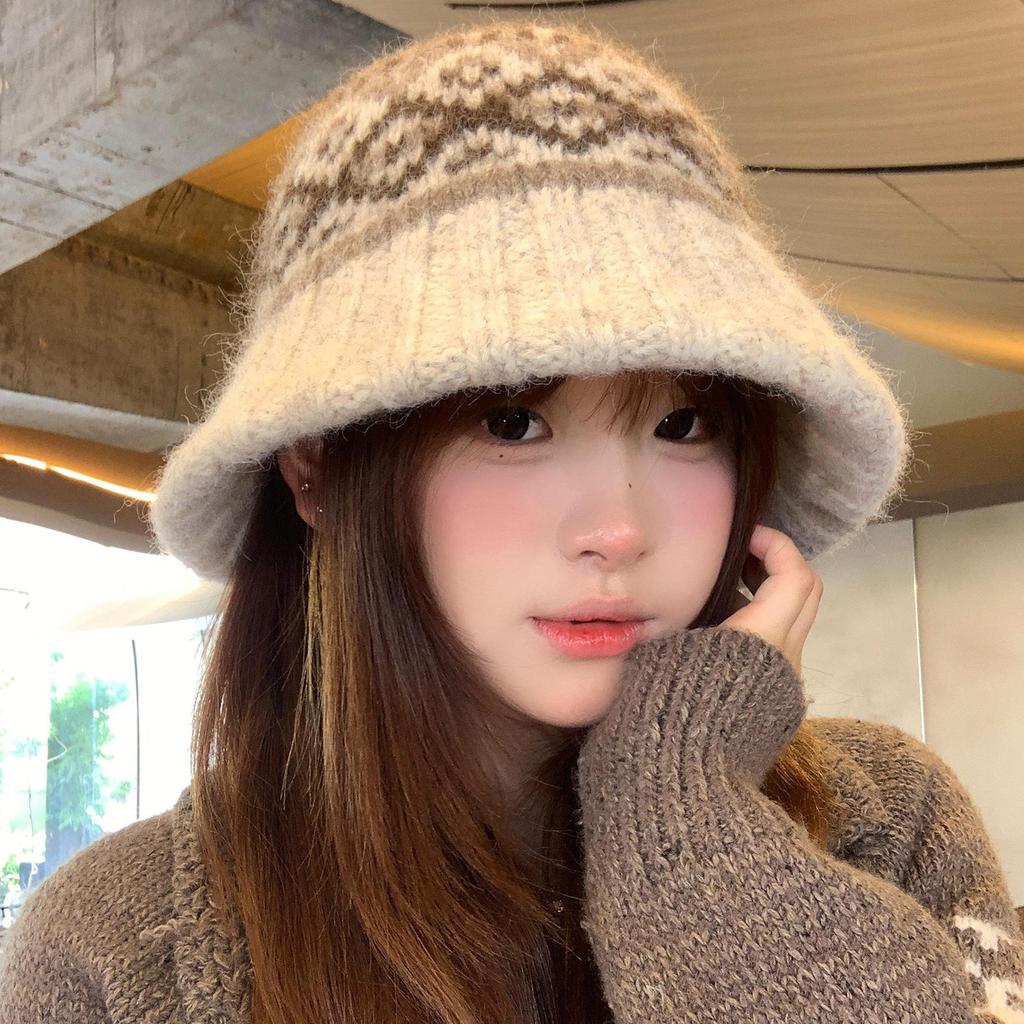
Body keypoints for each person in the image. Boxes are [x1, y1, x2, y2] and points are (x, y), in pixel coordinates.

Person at [1, 16, 1022, 1024]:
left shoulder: (888, 824)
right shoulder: (114, 951)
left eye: (681, 423)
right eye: (512, 421)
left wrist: (687, 821)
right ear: (317, 473)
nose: (618, 531)